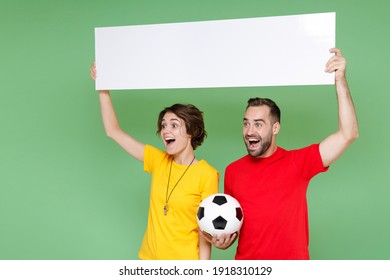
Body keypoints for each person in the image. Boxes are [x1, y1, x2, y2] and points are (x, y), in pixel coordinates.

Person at [203, 48, 359, 259]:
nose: (250, 131)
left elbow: (348, 134)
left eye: (258, 124)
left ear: (275, 128)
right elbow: (232, 226)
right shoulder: (233, 171)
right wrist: (222, 242)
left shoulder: (299, 162)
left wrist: (340, 79)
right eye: (246, 124)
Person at [90, 62, 219, 260]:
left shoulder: (207, 174)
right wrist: (103, 89)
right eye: (164, 125)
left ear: (192, 132)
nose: (166, 130)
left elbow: (205, 232)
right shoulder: (158, 160)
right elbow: (113, 131)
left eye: (174, 125)